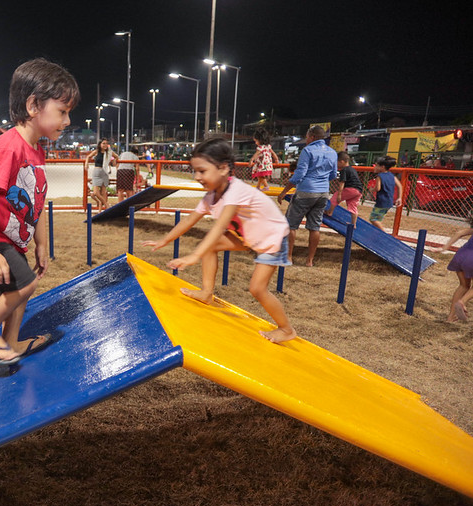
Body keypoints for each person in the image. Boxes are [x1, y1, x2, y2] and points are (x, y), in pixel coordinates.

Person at [0, 57, 80, 363]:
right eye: (62, 112)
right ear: (33, 106)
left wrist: (41, 243)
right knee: (24, 285)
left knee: (21, 290)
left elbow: (35, 203)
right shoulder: (8, 146)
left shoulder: (36, 150)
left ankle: (10, 342)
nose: (67, 121)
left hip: (10, 236)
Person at [143, 138, 296, 344]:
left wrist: (195, 256)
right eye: (195, 171)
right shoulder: (211, 196)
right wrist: (165, 240)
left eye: (202, 171)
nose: (197, 176)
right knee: (211, 245)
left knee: (257, 289)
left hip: (272, 238)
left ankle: (286, 329)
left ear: (223, 168)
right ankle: (206, 293)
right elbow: (189, 220)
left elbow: (218, 227)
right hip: (249, 236)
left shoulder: (236, 191)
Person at [277, 125, 337, 266]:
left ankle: (289, 257)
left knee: (291, 225)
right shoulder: (333, 152)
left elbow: (300, 174)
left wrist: (284, 191)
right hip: (323, 193)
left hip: (306, 191)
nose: (306, 139)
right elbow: (333, 175)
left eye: (307, 136)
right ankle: (310, 260)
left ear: (312, 136)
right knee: (315, 227)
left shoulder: (308, 150)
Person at [441, 212, 473, 322]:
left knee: (464, 286)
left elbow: (459, 233)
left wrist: (444, 248)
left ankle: (450, 317)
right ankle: (462, 301)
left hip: (461, 256)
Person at [325, 151, 364, 227]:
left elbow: (342, 182)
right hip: (359, 190)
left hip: (351, 188)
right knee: (353, 205)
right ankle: (353, 224)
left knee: (335, 196)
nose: (336, 164)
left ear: (342, 162)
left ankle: (329, 212)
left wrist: (339, 194)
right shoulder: (352, 169)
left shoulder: (344, 170)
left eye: (337, 162)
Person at [369, 156, 403, 231]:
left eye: (376, 166)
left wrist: (372, 189)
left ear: (382, 167)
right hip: (389, 202)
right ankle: (377, 233)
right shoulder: (391, 175)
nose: (375, 167)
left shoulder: (379, 176)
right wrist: (399, 197)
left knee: (373, 219)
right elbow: (400, 186)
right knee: (378, 218)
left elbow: (378, 188)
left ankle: (384, 234)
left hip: (381, 201)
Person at [84, 138, 117, 211]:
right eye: (103, 143)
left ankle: (100, 210)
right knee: (96, 192)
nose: (105, 145)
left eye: (106, 143)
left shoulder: (109, 152)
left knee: (103, 193)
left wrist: (114, 161)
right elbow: (88, 157)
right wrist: (86, 164)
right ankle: (106, 204)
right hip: (96, 172)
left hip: (104, 172)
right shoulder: (96, 152)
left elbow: (117, 156)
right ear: (100, 144)